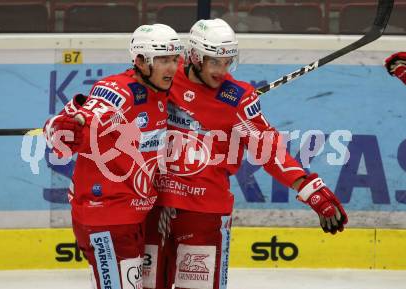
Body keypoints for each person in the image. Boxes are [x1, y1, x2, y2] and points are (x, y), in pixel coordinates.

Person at [143, 18, 348, 289]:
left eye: (228, 62)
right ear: (194, 56)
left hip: (204, 212)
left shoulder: (238, 99)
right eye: (215, 61)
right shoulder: (166, 76)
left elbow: (269, 149)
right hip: (152, 205)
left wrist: (308, 187)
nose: (222, 70)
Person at [43, 24, 183, 289]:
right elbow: (88, 116)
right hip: (106, 217)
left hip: (131, 215)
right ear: (140, 61)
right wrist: (70, 127)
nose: (172, 68)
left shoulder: (161, 88)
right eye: (163, 60)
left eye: (174, 59)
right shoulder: (118, 90)